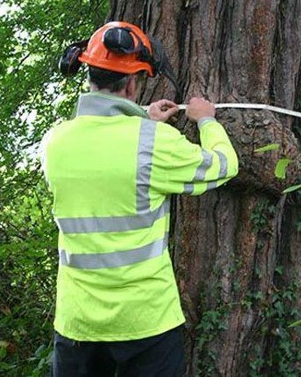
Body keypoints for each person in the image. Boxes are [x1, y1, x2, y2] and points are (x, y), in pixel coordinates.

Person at [40, 21, 238, 377]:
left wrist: (141, 117)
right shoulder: (154, 142)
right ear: (132, 83)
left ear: (89, 75)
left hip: (77, 324)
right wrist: (206, 121)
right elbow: (223, 166)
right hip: (146, 323)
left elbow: (102, 157)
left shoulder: (55, 142)